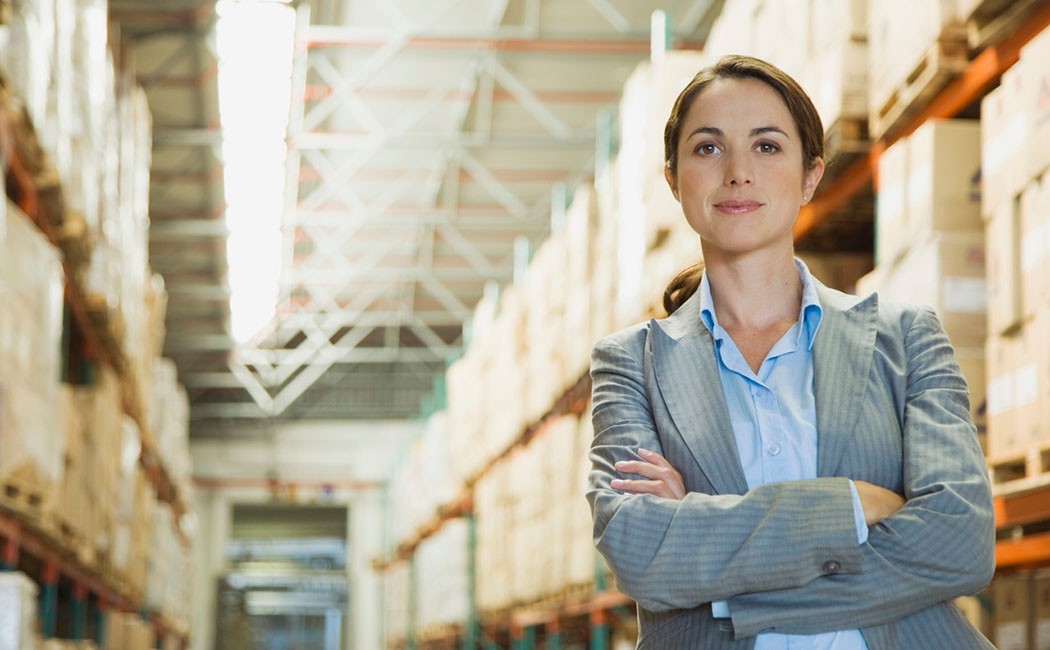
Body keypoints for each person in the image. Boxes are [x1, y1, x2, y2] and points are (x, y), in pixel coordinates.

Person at [587, 54, 995, 649]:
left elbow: (960, 541)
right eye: (707, 148)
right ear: (673, 178)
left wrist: (718, 573)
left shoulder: (905, 337)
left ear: (810, 175)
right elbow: (645, 556)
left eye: (767, 146)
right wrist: (851, 505)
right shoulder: (632, 364)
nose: (737, 172)